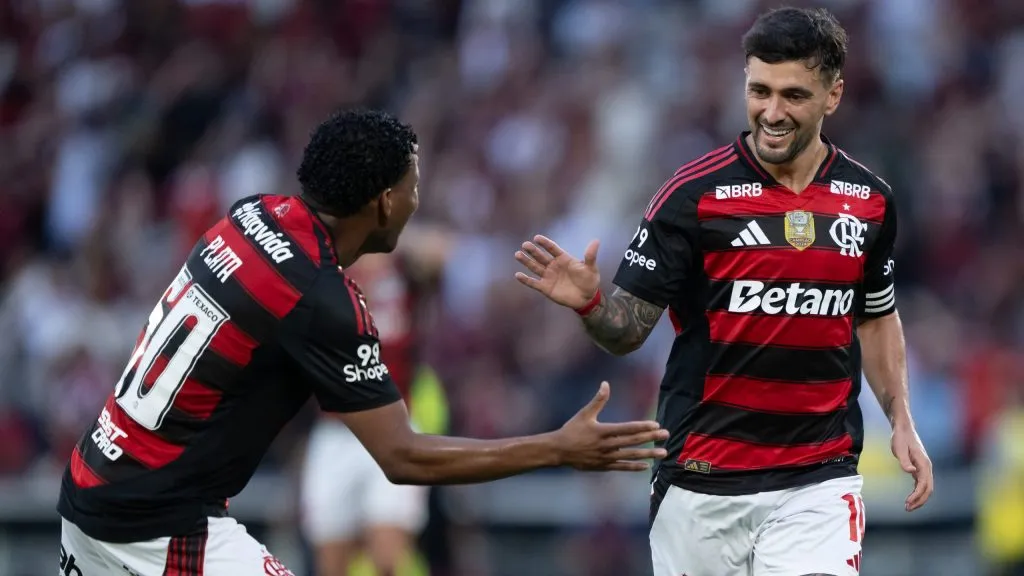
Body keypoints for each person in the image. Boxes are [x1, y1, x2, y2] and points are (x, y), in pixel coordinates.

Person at [56, 109, 668, 576]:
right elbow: (403, 458)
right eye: (413, 185)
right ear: (383, 202)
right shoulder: (321, 298)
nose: (417, 200)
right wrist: (558, 448)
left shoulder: (252, 213)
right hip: (157, 526)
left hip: (92, 483)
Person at [514, 7, 933, 576]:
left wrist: (901, 418)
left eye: (793, 95)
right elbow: (627, 330)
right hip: (702, 480)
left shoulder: (871, 201)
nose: (772, 112)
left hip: (818, 478)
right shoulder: (691, 197)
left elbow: (877, 317)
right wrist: (589, 303)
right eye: (759, 90)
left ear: (833, 96)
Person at [300, 246, 447, 576]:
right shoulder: (327, 272)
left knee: (388, 557)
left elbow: (441, 252)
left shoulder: (405, 267)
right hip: (337, 429)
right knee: (330, 564)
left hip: (393, 427)